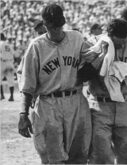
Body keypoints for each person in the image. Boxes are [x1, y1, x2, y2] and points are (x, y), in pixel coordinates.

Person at [17, 4, 97, 164]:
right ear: (45, 25)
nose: (56, 30)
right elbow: (27, 85)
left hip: (76, 102)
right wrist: (23, 114)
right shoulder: (36, 46)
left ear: (63, 23)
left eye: (58, 26)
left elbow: (94, 60)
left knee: (80, 156)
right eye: (52, 27)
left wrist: (94, 62)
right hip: (48, 104)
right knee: (53, 158)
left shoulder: (76, 38)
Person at [87, 18, 127, 164]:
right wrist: (101, 57)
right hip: (100, 105)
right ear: (109, 35)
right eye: (118, 41)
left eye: (124, 40)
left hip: (126, 103)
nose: (122, 44)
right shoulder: (94, 44)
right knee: (100, 156)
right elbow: (83, 75)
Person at [0, 33, 15, 101]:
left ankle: (2, 95)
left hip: (2, 62)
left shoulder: (0, 43)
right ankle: (11, 96)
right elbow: (13, 53)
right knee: (10, 80)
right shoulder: (8, 44)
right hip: (9, 62)